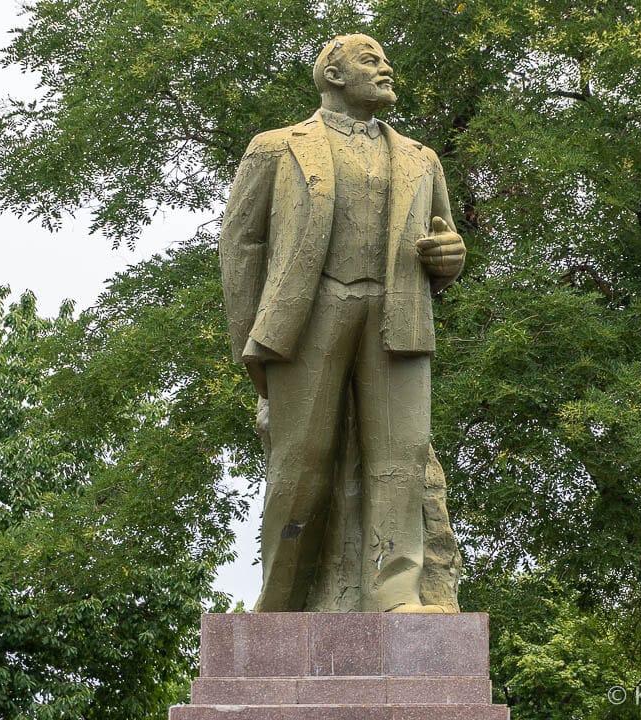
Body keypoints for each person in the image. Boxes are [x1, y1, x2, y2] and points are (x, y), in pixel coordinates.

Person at [220, 33, 465, 612]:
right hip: (307, 318)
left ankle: (396, 594)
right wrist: (252, 346)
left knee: (400, 459)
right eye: (371, 60)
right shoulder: (276, 149)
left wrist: (450, 256)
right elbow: (241, 246)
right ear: (333, 76)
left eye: (385, 59)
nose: (387, 68)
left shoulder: (420, 158)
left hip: (398, 313)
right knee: (300, 463)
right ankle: (281, 596)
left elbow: (444, 238)